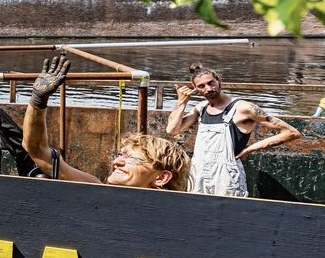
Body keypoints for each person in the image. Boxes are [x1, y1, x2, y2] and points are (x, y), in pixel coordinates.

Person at [24, 55, 190, 190]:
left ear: (161, 177)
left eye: (132, 159)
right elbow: (37, 150)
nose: (116, 163)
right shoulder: (95, 190)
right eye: (120, 155)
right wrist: (38, 101)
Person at [166, 63, 301, 197]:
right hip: (197, 171)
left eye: (211, 83)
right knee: (196, 212)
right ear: (195, 88)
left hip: (226, 176)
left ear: (219, 81)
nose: (208, 88)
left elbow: (291, 132)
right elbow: (172, 130)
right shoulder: (200, 108)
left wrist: (250, 149)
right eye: (202, 86)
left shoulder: (243, 108)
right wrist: (182, 102)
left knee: (228, 213)